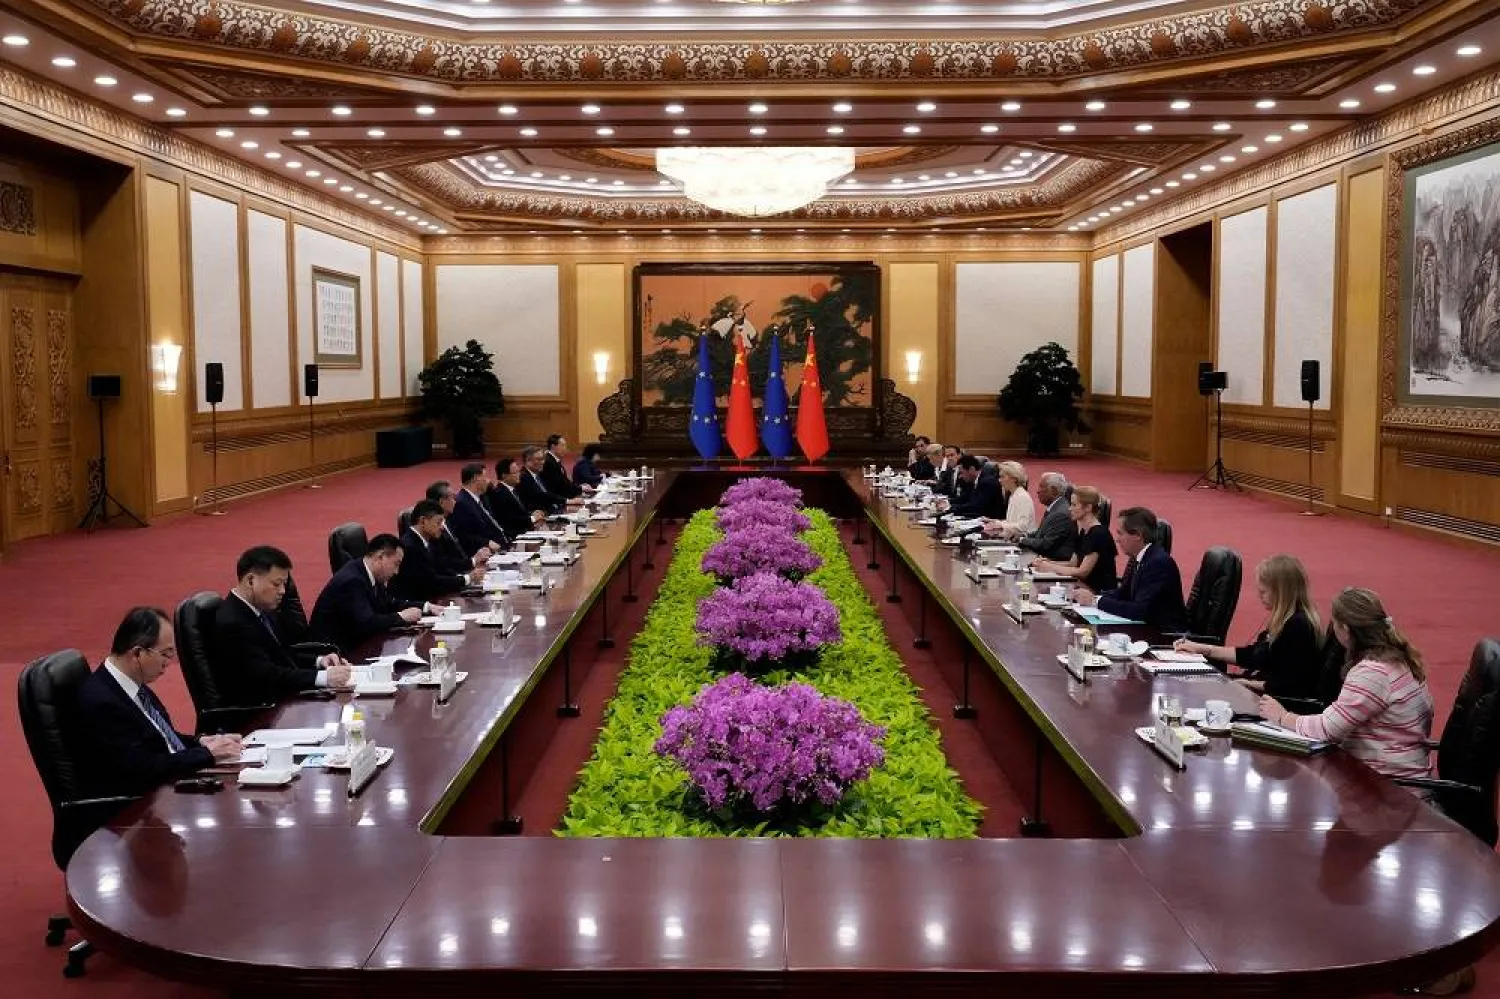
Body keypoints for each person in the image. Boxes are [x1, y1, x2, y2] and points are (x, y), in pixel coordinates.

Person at [1259, 588, 1433, 781]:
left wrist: (1282, 716)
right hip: (1395, 775)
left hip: (1389, 786)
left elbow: (1328, 729)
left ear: (1345, 630)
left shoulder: (1372, 673)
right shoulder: (1399, 658)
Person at [73, 607, 242, 798]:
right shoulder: (102, 701)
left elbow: (159, 738)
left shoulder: (131, 682)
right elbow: (141, 767)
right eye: (165, 654)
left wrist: (199, 741)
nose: (168, 663)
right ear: (137, 654)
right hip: (136, 808)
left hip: (167, 785)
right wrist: (205, 754)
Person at [213, 546, 353, 704]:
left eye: (284, 584)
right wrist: (323, 677)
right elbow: (264, 674)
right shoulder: (232, 622)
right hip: (260, 711)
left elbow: (282, 655)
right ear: (250, 581)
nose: (283, 591)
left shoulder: (262, 610)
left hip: (281, 697)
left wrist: (319, 661)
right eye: (276, 584)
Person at [1175, 554, 1322, 701]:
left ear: (1281, 592)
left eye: (1263, 592)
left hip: (1278, 702)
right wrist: (1201, 648)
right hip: (1265, 691)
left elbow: (1287, 685)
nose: (1259, 596)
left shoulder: (1297, 627)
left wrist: (1249, 684)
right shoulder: (1286, 619)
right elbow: (1251, 656)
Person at [309, 533, 432, 654]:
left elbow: (389, 603)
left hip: (357, 643)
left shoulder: (369, 573)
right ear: (380, 557)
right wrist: (401, 616)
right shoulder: (352, 580)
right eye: (396, 564)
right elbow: (366, 623)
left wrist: (427, 607)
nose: (396, 571)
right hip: (336, 653)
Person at [1073, 506, 1186, 631]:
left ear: (1137, 535)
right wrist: (1093, 595)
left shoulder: (1158, 563)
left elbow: (1139, 610)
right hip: (1144, 627)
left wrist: (1096, 601)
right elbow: (1124, 592)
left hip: (1163, 634)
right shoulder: (1138, 557)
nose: (1117, 539)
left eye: (1121, 533)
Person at [396, 499, 485, 602]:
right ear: (423, 521)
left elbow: (442, 567)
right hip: (417, 604)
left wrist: (466, 576)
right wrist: (466, 579)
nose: (442, 527)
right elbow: (432, 582)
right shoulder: (410, 547)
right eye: (438, 522)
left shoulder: (428, 541)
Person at [1032, 485, 1116, 593]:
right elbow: (1072, 564)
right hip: (1081, 586)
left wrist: (1050, 567)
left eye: (1074, 505)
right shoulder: (1082, 531)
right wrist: (1047, 562)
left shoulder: (1098, 534)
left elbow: (1082, 571)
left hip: (1097, 592)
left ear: (1088, 508)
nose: (1069, 508)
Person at [1001, 471, 1075, 562]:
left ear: (1054, 490)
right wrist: (1024, 535)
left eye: (1042, 486)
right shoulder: (1056, 507)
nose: (1037, 491)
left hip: (1054, 562)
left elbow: (1046, 544)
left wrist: (1022, 539)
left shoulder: (1060, 513)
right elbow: (1041, 534)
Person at [426, 480, 494, 575]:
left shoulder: (448, 521)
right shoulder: (434, 530)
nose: (456, 501)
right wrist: (473, 561)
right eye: (453, 497)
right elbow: (445, 562)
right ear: (441, 502)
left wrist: (477, 556)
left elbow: (458, 552)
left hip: (466, 571)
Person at [449, 462, 509, 553]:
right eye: (484, 477)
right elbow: (462, 535)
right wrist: (487, 542)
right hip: (485, 552)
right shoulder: (461, 503)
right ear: (475, 479)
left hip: (504, 544)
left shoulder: (482, 497)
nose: (488, 480)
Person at [490, 456, 546, 538]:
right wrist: (532, 518)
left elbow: (519, 512)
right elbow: (509, 519)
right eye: (515, 473)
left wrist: (532, 514)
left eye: (518, 472)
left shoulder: (513, 490)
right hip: (515, 536)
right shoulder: (499, 493)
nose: (519, 475)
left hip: (525, 530)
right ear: (504, 475)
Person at [518, 444, 578, 515]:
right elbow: (541, 496)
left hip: (553, 511)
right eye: (539, 459)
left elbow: (550, 492)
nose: (543, 462)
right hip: (540, 516)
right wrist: (567, 501)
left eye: (543, 459)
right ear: (528, 460)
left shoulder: (538, 475)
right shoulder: (523, 478)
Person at [988, 460, 1036, 534]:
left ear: (1014, 478)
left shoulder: (1022, 497)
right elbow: (1010, 521)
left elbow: (1023, 526)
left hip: (1021, 541)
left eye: (1002, 477)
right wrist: (995, 522)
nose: (999, 480)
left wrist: (1000, 524)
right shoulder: (1013, 495)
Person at [541, 433, 591, 499]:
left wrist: (579, 487)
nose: (565, 448)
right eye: (562, 445)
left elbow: (564, 482)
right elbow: (560, 486)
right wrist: (580, 489)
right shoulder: (549, 462)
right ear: (553, 446)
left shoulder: (553, 460)